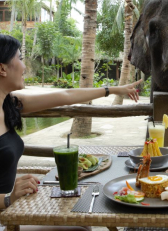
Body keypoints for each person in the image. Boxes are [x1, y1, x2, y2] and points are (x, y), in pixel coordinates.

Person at [0, 34, 142, 230]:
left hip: (16, 209)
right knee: (79, 226)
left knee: (81, 219)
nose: (24, 66)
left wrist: (114, 89)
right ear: (2, 68)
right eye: (20, 58)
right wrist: (8, 198)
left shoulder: (10, 103)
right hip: (7, 218)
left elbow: (66, 95)